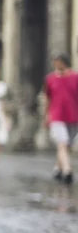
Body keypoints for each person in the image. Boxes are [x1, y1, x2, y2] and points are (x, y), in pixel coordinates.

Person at [44, 53, 78, 184]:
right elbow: (47, 98)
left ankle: (57, 167)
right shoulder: (50, 79)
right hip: (56, 115)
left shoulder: (75, 77)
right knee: (62, 142)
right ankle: (67, 170)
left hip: (73, 115)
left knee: (66, 144)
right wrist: (46, 116)